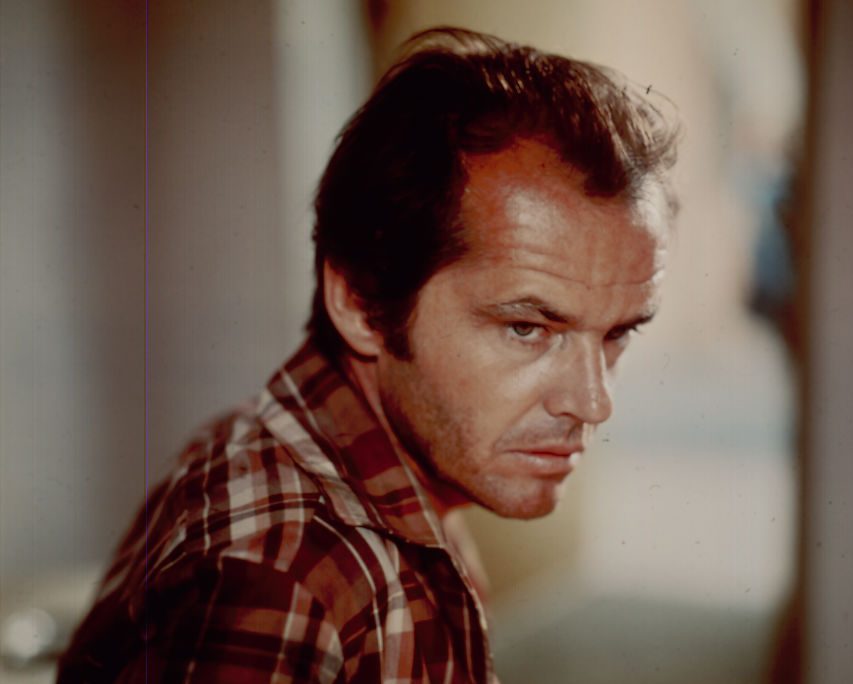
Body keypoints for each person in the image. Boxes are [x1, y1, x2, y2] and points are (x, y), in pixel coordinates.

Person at [58, 27, 677, 683]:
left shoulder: (401, 481)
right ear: (359, 302)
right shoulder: (283, 570)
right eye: (526, 328)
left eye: (617, 334)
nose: (593, 402)